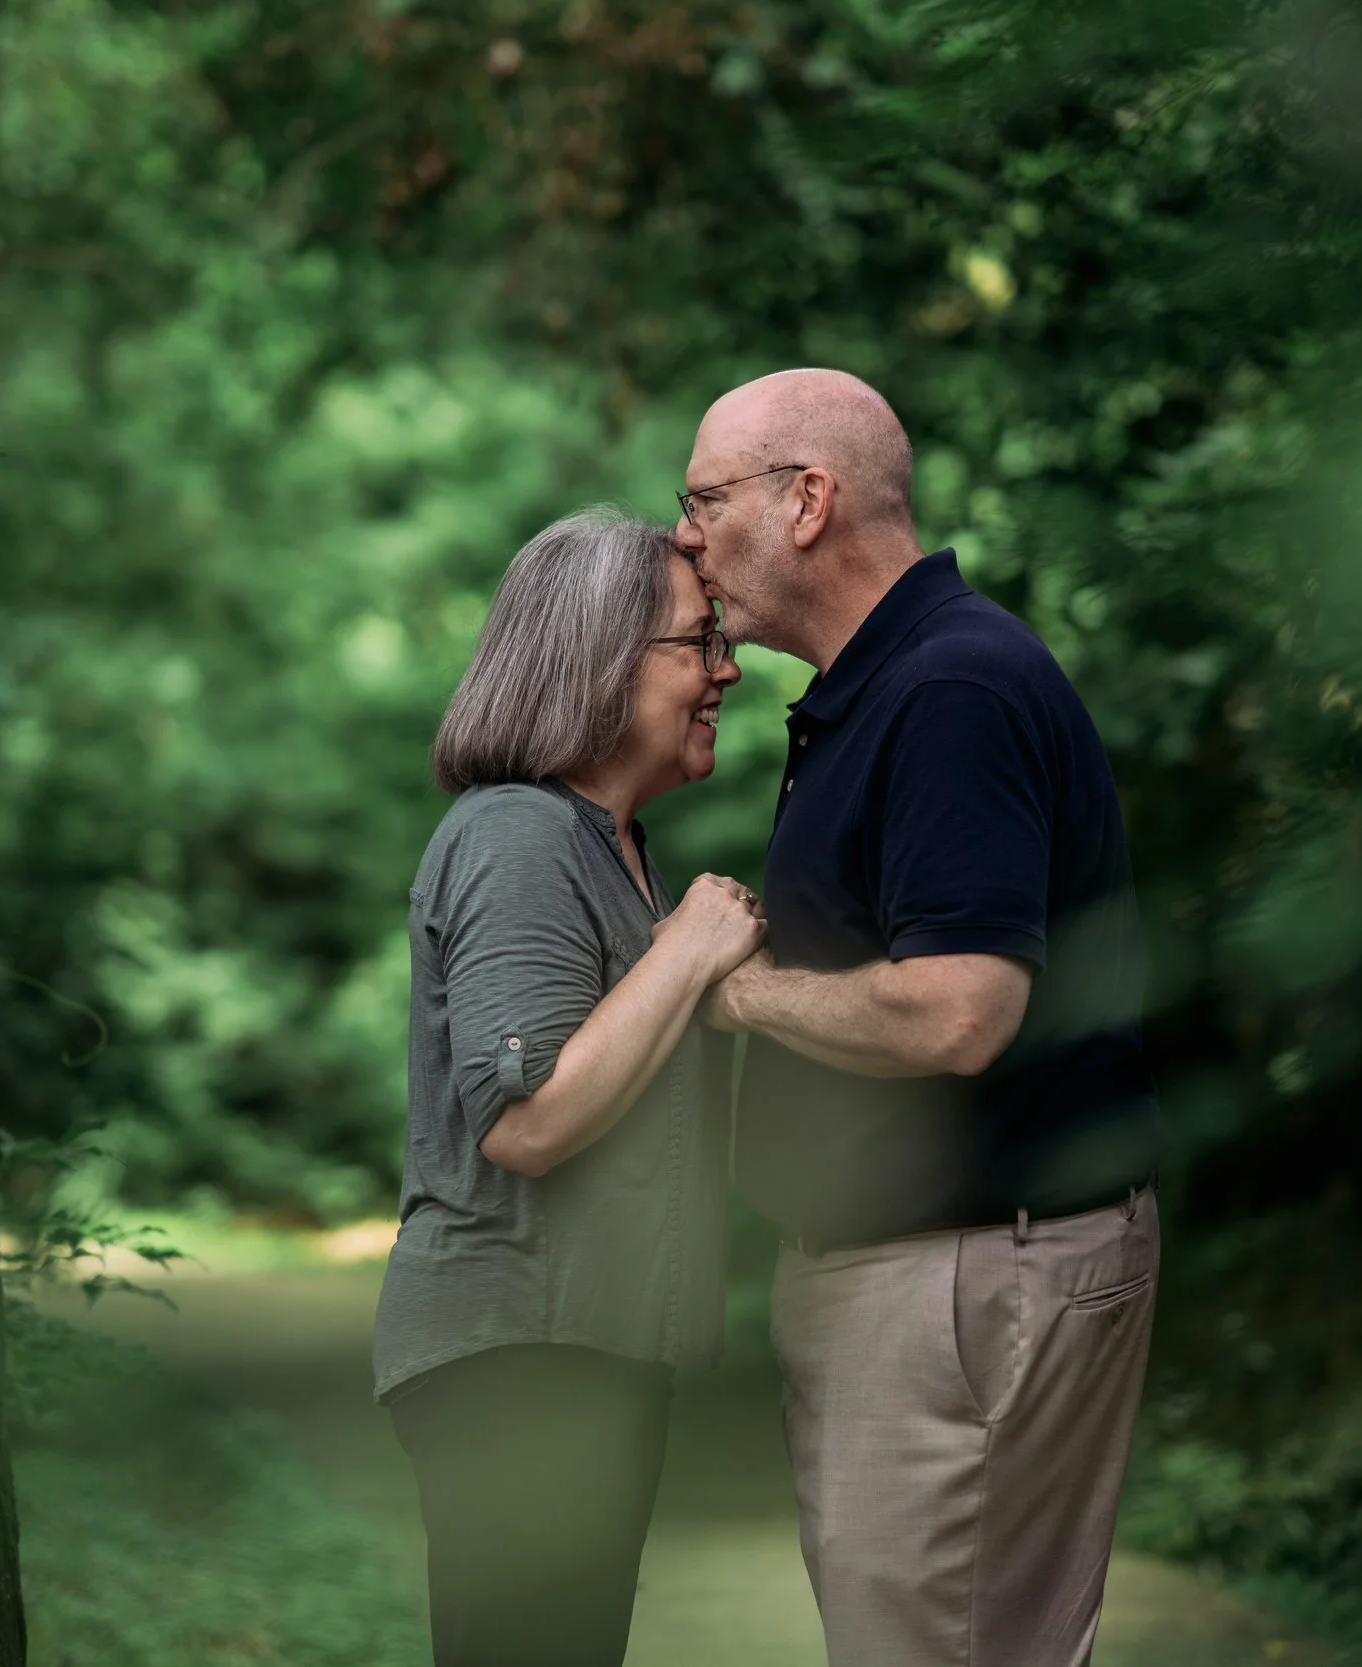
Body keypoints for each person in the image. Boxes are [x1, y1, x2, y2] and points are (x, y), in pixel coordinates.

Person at [676, 370, 1166, 1667]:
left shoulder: (951, 686)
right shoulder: (889, 681)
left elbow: (962, 1008)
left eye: (705, 500)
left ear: (807, 501)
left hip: (961, 1274)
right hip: (938, 1267)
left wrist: (725, 981)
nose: (686, 538)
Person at [371, 507, 767, 1667]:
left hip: (585, 1353)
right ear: (598, 660)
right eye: (697, 642)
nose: (725, 670)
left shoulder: (611, 849)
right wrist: (690, 949)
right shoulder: (518, 833)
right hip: (516, 1357)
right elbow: (530, 1121)